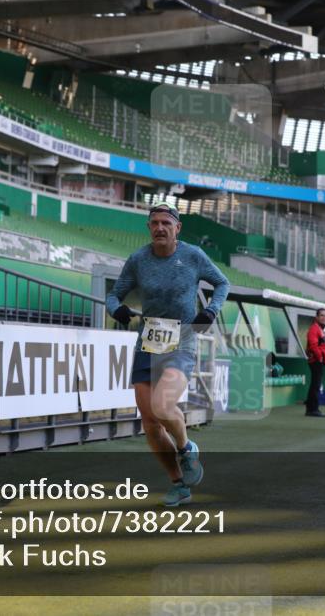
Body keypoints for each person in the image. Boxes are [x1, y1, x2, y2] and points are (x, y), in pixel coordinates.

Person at [106, 201, 230, 507]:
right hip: (150, 341)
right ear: (149, 228)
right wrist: (117, 309)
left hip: (182, 338)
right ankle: (178, 483)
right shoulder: (138, 259)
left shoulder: (193, 256)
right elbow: (113, 293)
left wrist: (211, 311)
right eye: (154, 223)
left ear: (177, 228)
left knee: (163, 407)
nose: (160, 228)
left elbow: (222, 283)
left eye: (166, 222)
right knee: (150, 423)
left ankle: (187, 449)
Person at [305, 308, 325, 417]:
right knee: (315, 385)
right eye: (322, 315)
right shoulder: (314, 329)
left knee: (315, 385)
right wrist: (320, 358)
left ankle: (311, 408)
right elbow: (313, 346)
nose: (324, 317)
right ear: (317, 317)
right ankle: (313, 410)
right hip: (316, 360)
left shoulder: (320, 329)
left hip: (319, 360)